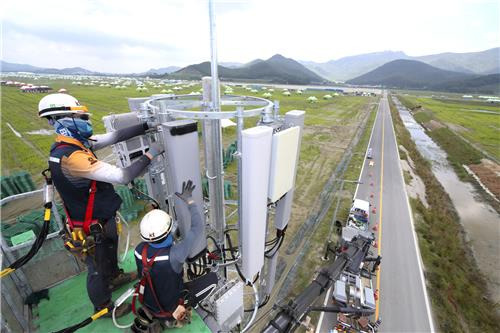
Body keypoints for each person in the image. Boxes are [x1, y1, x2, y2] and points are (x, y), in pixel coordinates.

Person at [38, 93, 163, 317]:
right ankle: (103, 307)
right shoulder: (72, 158)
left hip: (101, 219)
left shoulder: (78, 144)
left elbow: (114, 136)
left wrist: (147, 125)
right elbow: (124, 176)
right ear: (60, 120)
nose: (86, 121)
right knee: (96, 270)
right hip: (90, 227)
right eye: (81, 117)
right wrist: (152, 153)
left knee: (109, 255)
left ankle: (114, 277)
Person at [132, 180, 204, 332]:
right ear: (169, 230)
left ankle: (158, 316)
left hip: (148, 303)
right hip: (170, 310)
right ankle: (171, 319)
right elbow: (198, 226)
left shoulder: (138, 250)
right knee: (212, 280)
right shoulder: (176, 254)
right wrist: (190, 201)